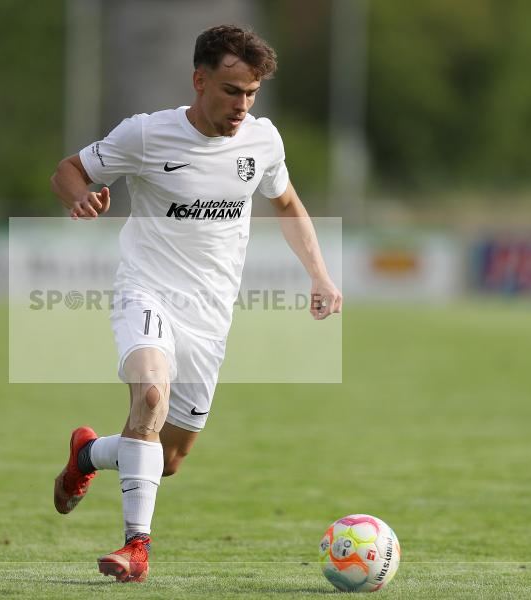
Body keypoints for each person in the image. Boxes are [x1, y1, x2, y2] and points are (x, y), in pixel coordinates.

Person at [48, 24, 342, 583]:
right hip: (146, 290)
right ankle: (137, 549)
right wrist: (81, 198)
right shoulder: (145, 135)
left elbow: (287, 204)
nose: (242, 105)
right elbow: (68, 171)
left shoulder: (262, 142)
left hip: (210, 316)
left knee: (170, 457)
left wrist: (321, 275)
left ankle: (87, 456)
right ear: (199, 81)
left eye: (252, 93)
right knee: (150, 394)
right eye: (232, 90)